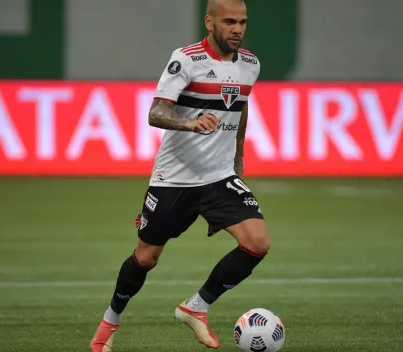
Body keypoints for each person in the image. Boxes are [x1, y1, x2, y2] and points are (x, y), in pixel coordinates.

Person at [90, 0, 270, 350]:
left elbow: (241, 107)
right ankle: (108, 327)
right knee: (145, 258)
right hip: (174, 179)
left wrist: (238, 157)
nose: (237, 29)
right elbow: (156, 112)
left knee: (258, 243)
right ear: (209, 22)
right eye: (230, 21)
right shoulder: (186, 59)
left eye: (243, 22)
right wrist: (190, 122)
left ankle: (196, 308)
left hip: (218, 176)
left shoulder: (250, 64)